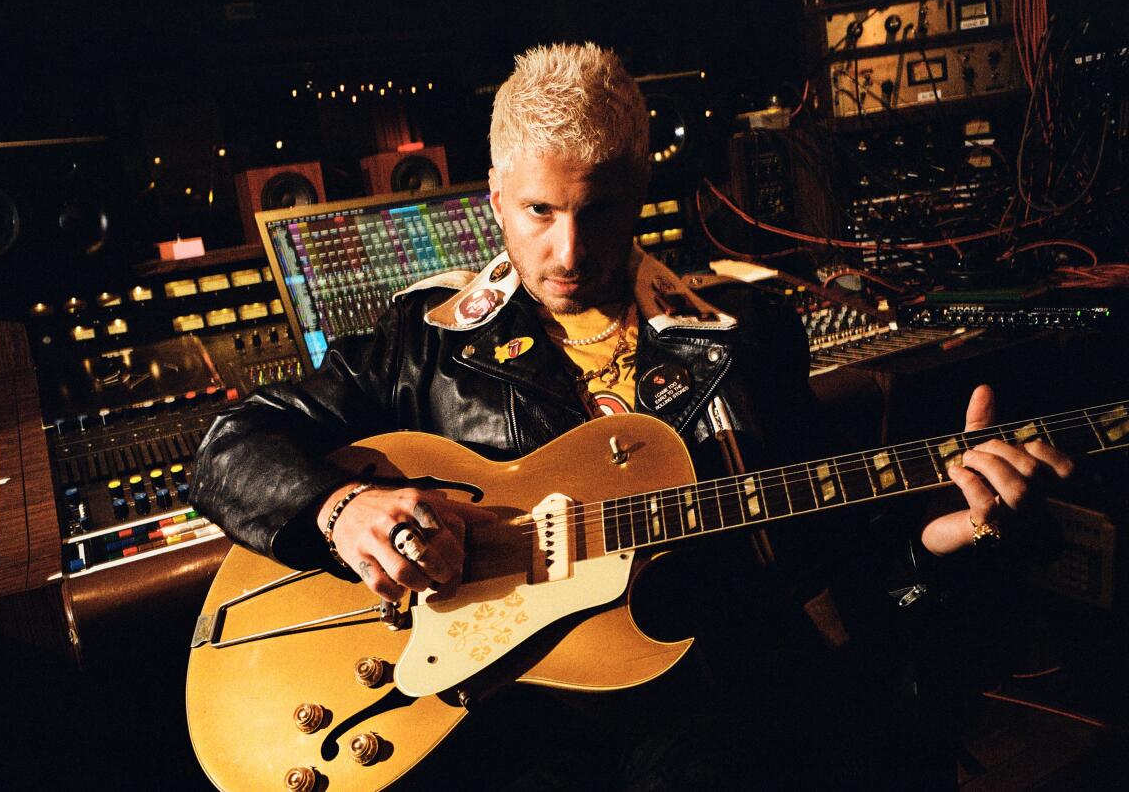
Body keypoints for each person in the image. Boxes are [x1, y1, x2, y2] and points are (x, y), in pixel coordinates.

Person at [192, 42, 1074, 788]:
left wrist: (939, 538)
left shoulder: (747, 337)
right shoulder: (420, 347)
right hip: (522, 727)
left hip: (719, 708)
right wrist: (345, 510)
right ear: (496, 197)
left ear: (641, 190)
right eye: (538, 211)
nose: (567, 250)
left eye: (599, 210)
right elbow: (230, 446)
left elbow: (824, 554)